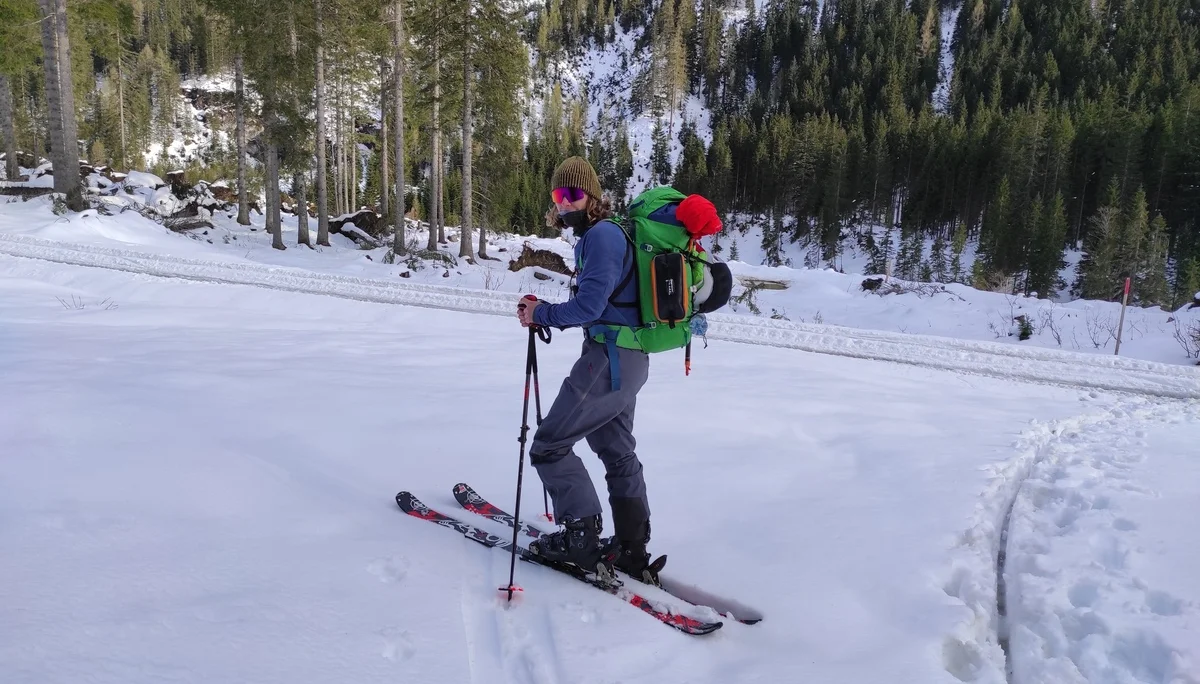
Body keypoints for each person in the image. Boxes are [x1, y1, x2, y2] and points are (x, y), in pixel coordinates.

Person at [515, 156, 660, 585]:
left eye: (574, 195)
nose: (565, 204)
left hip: (609, 361)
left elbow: (588, 307)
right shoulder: (607, 235)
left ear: (592, 197)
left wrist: (541, 313)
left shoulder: (601, 237)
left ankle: (581, 534)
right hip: (628, 362)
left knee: (549, 445)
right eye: (559, 196)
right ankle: (633, 547)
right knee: (616, 450)